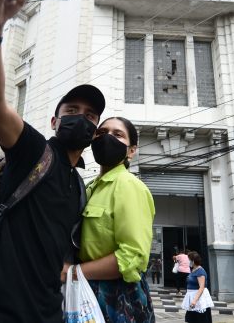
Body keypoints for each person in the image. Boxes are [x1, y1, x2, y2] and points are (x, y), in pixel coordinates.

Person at [0, 0, 105, 323]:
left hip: (51, 312)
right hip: (2, 315)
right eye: (72, 111)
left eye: (90, 115)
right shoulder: (34, 151)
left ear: (95, 131)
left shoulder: (78, 184)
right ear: (54, 122)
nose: (81, 117)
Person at [72, 117, 155, 322]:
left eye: (118, 134)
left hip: (118, 298)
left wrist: (72, 272)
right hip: (85, 290)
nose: (107, 137)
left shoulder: (129, 186)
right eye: (101, 133)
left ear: (131, 151)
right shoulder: (90, 187)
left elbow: (132, 257)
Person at [182, 252, 212, 323]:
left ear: (193, 260)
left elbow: (201, 287)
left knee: (199, 318)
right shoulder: (193, 270)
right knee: (191, 318)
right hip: (192, 296)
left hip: (198, 298)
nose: (188, 262)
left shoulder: (200, 271)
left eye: (189, 260)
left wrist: (194, 301)